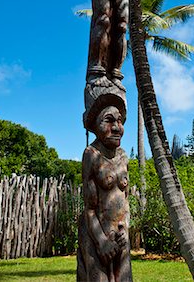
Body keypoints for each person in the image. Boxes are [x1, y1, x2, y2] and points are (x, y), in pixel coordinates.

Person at [77, 105, 132, 282]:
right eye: (108, 120)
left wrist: (126, 227)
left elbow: (126, 200)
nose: (116, 127)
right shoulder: (91, 155)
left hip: (120, 237)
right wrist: (101, 241)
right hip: (97, 237)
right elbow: (89, 209)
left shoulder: (123, 156)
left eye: (120, 121)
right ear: (95, 124)